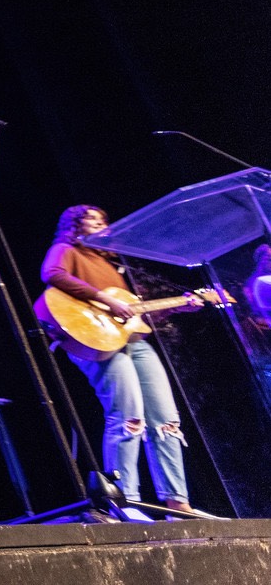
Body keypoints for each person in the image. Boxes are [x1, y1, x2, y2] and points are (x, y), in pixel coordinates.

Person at [41, 205, 193, 515]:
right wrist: (105, 299)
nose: (100, 223)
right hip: (94, 341)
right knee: (128, 416)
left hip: (132, 340)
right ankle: (124, 500)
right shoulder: (66, 249)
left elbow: (130, 314)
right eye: (91, 219)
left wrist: (181, 305)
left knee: (165, 419)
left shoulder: (112, 263)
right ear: (74, 226)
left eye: (103, 219)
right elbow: (52, 274)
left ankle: (177, 500)